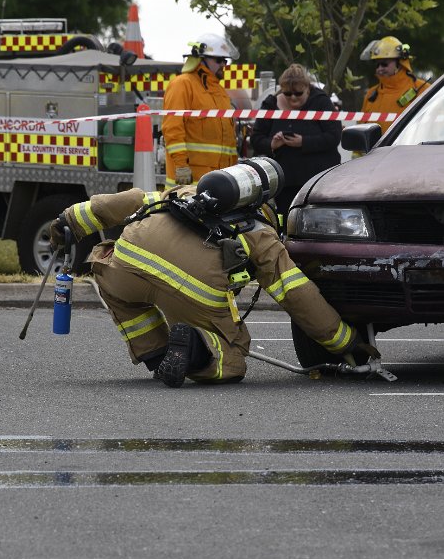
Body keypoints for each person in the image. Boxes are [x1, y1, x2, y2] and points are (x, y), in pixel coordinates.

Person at [49, 159, 378, 388]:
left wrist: (69, 222)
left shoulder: (186, 191)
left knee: (111, 270)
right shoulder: (260, 233)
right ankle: (194, 351)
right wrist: (347, 343)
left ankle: (156, 354)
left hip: (124, 268)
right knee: (233, 357)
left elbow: (130, 200)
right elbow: (297, 294)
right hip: (189, 290)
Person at [250, 64, 341, 229]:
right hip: (285, 181)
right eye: (287, 94)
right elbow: (256, 138)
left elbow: (334, 136)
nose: (293, 98)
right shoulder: (270, 104)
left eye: (298, 93)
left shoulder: (321, 102)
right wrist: (272, 144)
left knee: (319, 225)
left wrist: (303, 142)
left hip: (317, 181)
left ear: (308, 88)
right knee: (287, 224)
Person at [162, 33, 239, 189]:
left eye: (225, 60)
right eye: (219, 60)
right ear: (201, 58)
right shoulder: (182, 84)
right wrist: (181, 166)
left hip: (221, 181)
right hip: (190, 183)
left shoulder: (220, 91)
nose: (223, 64)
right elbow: (172, 129)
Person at [360, 36, 430, 136]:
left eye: (384, 64)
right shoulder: (371, 95)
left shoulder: (423, 89)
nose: (379, 69)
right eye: (377, 65)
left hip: (412, 150)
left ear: (400, 63)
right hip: (376, 152)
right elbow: (361, 129)